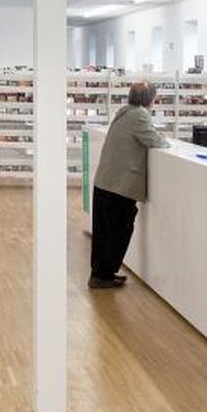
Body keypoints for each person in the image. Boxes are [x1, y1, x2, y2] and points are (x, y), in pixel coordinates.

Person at [89, 81, 171, 289]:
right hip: (119, 185)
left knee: (103, 232)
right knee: (119, 230)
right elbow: (155, 141)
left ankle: (100, 274)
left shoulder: (124, 112)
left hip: (105, 182)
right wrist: (166, 141)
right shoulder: (140, 116)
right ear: (149, 99)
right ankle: (104, 275)